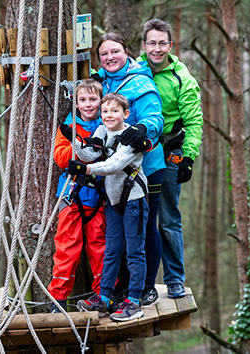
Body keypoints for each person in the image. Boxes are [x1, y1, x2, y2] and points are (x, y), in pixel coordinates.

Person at [95, 32, 165, 307]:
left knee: (146, 228)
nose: (110, 57)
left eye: (115, 51)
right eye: (104, 54)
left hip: (145, 169)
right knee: (119, 234)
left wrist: (142, 128)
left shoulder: (141, 83)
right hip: (113, 172)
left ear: (126, 52)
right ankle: (123, 287)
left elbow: (154, 118)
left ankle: (147, 286)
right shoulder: (99, 80)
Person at [138, 18, 203, 298]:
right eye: (152, 42)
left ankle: (175, 278)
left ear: (170, 45)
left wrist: (188, 156)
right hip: (135, 153)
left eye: (162, 43)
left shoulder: (182, 78)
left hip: (169, 154)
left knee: (167, 219)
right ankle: (139, 281)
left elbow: (194, 120)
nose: (157, 48)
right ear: (144, 45)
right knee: (136, 219)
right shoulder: (134, 70)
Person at [73, 93, 149, 321]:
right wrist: (74, 141)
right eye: (105, 111)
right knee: (112, 250)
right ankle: (104, 296)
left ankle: (134, 300)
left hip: (134, 199)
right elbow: (89, 154)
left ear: (125, 114)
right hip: (114, 201)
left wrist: (85, 170)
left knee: (135, 252)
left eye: (114, 111)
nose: (108, 116)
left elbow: (113, 165)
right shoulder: (102, 131)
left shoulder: (132, 137)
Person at [47, 79, 107, 314]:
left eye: (93, 99)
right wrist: (80, 146)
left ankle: (103, 294)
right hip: (72, 195)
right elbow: (61, 157)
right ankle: (58, 298)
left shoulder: (107, 124)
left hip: (99, 196)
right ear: (76, 102)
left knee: (100, 246)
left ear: (101, 101)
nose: (88, 104)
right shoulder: (69, 126)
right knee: (67, 247)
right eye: (83, 100)